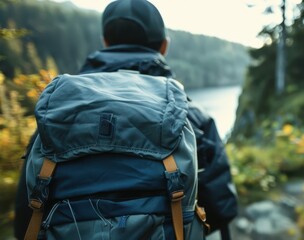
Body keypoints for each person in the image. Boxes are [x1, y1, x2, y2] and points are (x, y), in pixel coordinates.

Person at [14, 0, 238, 239]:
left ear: (105, 42)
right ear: (164, 47)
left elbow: (25, 220)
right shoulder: (191, 118)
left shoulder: (58, 117)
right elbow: (222, 209)